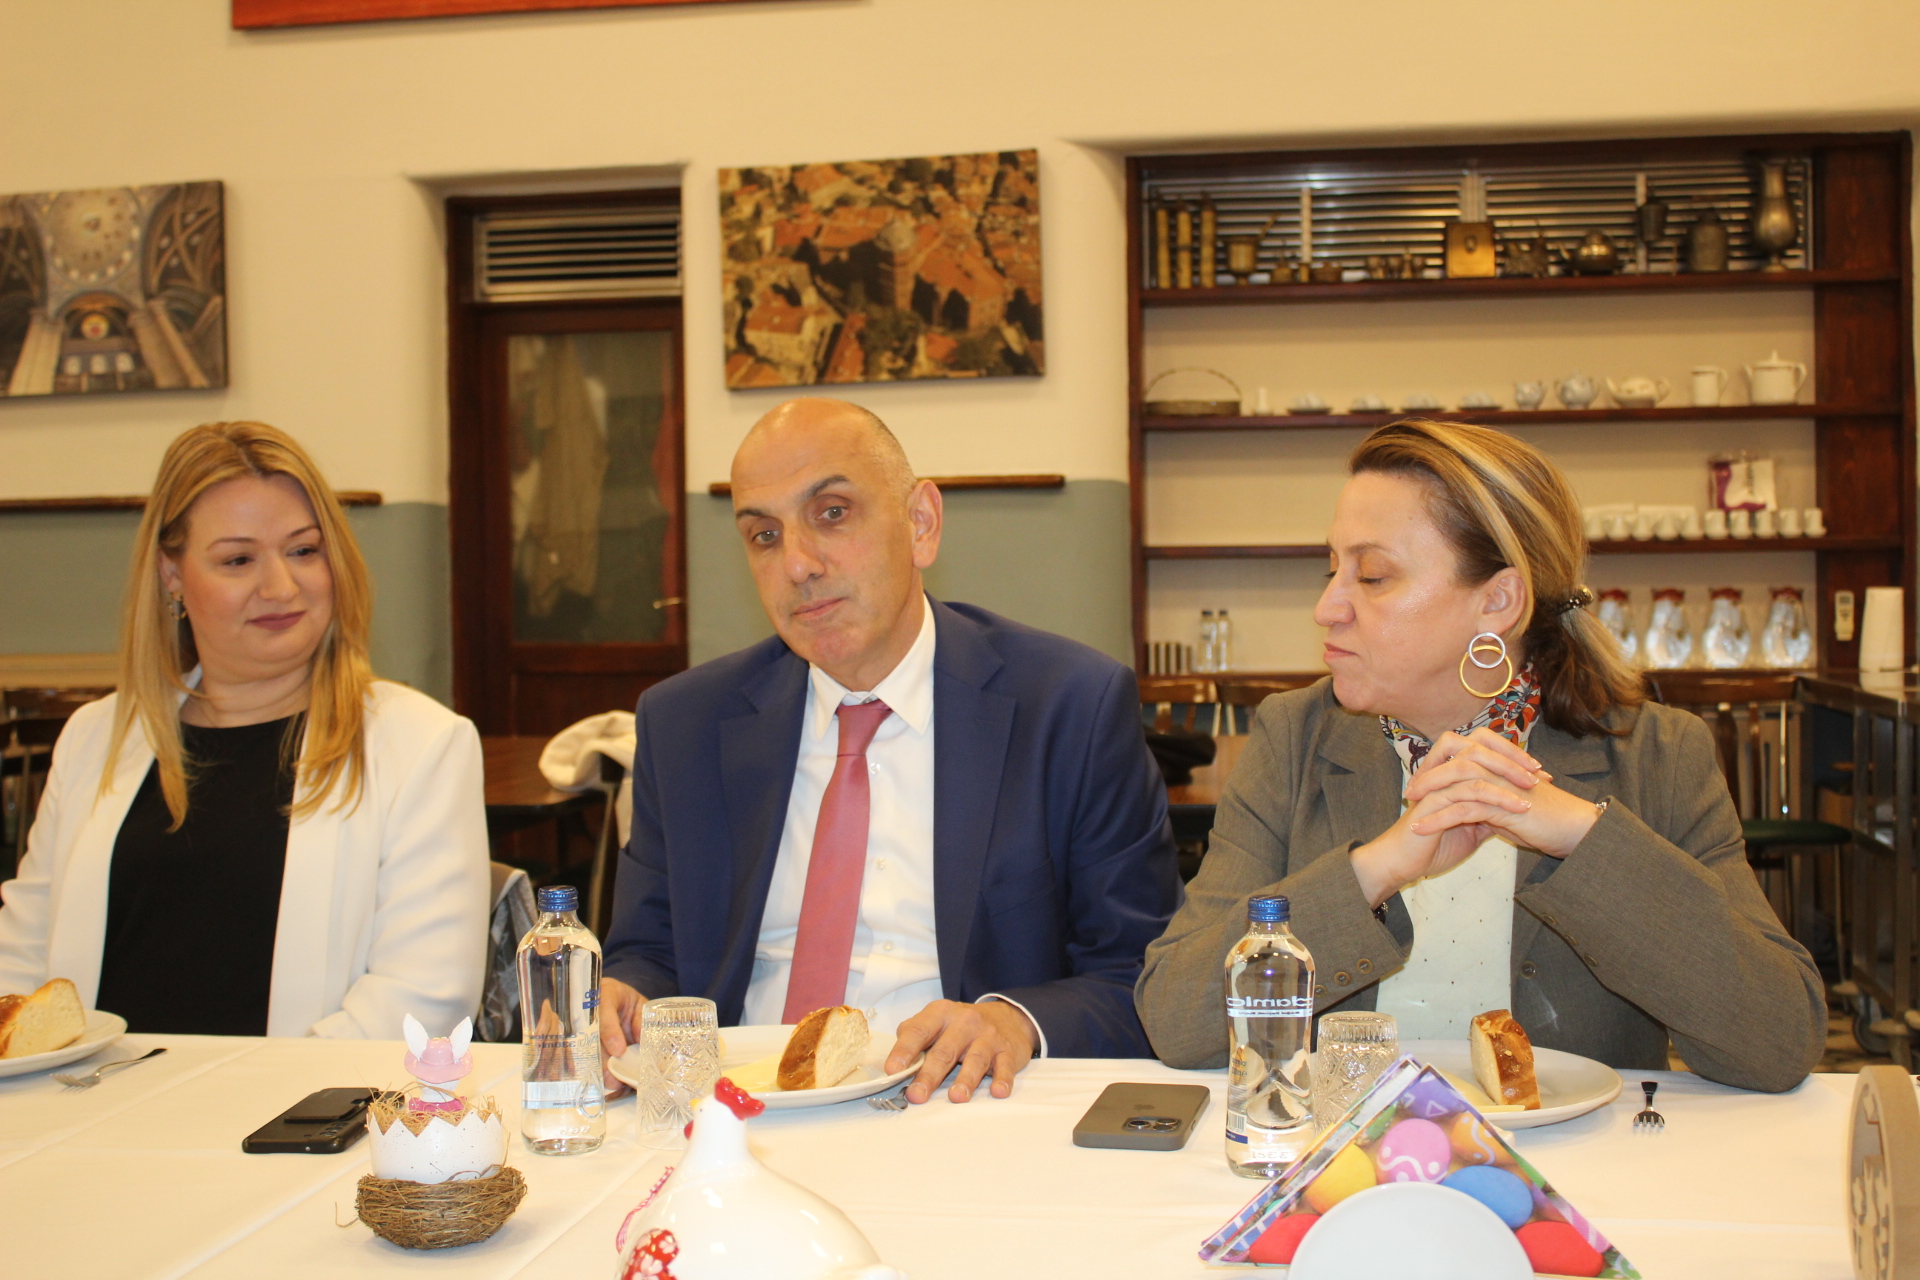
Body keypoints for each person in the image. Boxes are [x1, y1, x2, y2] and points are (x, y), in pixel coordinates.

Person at [1137, 419, 1825, 1092]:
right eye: (1332, 569)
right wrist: (1374, 870)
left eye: (1372, 576)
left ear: (1498, 601)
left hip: (1576, 1158)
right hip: (1346, 1155)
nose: (1327, 606)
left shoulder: (1656, 755)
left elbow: (1778, 1044)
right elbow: (1177, 1019)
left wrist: (1582, 838)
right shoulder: (1295, 738)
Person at [600, 398, 1180, 1103]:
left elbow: (1145, 975)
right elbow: (648, 952)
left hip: (956, 1105)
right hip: (737, 1111)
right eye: (764, 535)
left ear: (921, 523)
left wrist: (1016, 1020)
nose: (798, 564)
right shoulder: (686, 723)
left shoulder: (1069, 708)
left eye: (832, 513)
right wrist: (623, 997)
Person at [0, 422, 490, 1038]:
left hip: (299, 1098)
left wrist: (262, 1094)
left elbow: (421, 1000)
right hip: (88, 1095)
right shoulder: (94, 738)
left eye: (304, 551)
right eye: (238, 560)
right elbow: (20, 964)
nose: (281, 587)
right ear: (171, 575)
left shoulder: (419, 744)